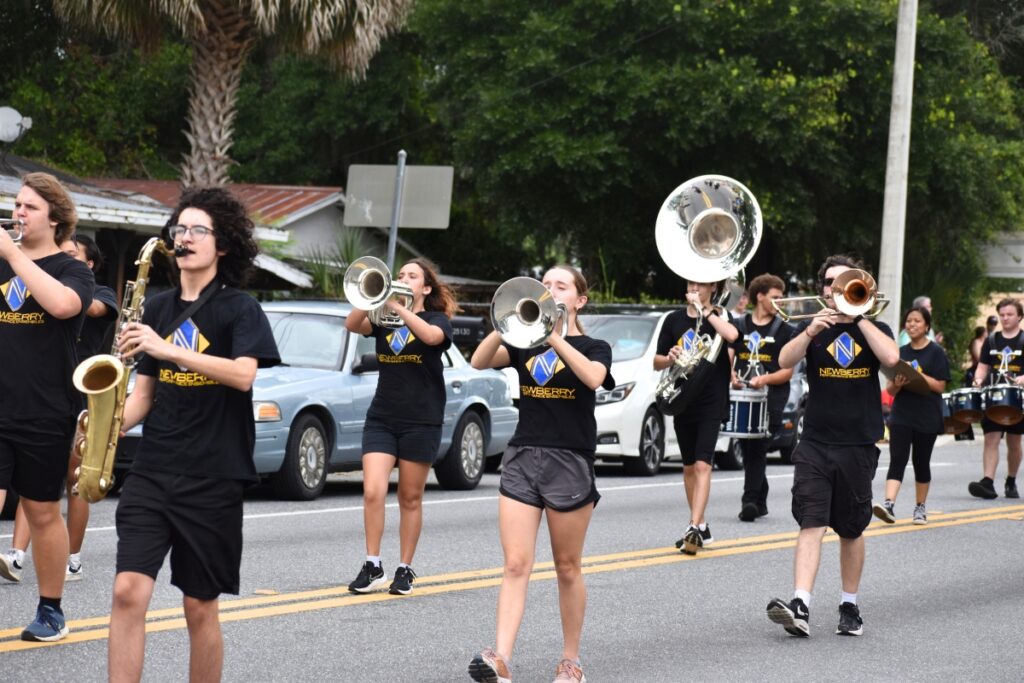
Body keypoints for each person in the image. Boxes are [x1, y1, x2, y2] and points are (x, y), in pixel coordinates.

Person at [107, 188, 280, 681]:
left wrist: (169, 350)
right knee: (126, 592)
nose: (184, 238)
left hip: (213, 476)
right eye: (179, 229)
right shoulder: (157, 308)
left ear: (221, 245)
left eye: (197, 230)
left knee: (199, 606)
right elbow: (144, 395)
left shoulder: (239, 309)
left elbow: (243, 375)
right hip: (153, 469)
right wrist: (102, 431)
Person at [468, 265, 613, 683]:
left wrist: (554, 334)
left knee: (567, 566)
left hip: (570, 460)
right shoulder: (522, 342)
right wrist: (506, 321)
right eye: (545, 285)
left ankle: (571, 661)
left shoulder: (594, 345)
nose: (550, 291)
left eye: (560, 286)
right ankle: (500, 658)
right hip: (522, 456)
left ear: (579, 300)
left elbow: (593, 378)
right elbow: (478, 361)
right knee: (515, 564)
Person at [765, 254, 898, 638]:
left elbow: (892, 358)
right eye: (829, 282)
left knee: (852, 528)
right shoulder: (813, 328)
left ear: (859, 287)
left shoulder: (875, 327)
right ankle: (800, 603)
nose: (835, 288)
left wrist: (858, 317)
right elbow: (784, 360)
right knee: (811, 521)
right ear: (822, 288)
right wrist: (808, 332)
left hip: (858, 443)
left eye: (844, 282)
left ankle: (849, 605)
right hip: (815, 442)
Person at [0, 172, 94, 641]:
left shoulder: (72, 269)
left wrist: (14, 255)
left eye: (29, 206)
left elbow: (62, 306)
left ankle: (51, 609)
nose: (18, 212)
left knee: (40, 513)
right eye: (16, 204)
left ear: (55, 218)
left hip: (45, 410)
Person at [4, 234, 118, 584]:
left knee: (74, 480)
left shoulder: (98, 292)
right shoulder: (31, 280)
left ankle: (72, 557)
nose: (59, 259)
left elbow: (89, 308)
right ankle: (18, 555)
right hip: (39, 392)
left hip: (83, 397)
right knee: (32, 483)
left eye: (70, 255)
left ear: (87, 264)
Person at [344, 258, 457, 597]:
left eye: (412, 276)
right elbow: (352, 324)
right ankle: (372, 563)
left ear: (424, 288)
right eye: (400, 275)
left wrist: (397, 305)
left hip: (421, 420)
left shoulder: (437, 319)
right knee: (373, 491)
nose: (404, 279)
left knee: (410, 497)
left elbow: (430, 336)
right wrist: (371, 300)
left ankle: (405, 568)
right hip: (382, 417)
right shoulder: (382, 319)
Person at [653, 279, 738, 554]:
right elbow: (656, 361)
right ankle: (700, 525)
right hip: (683, 397)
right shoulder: (673, 320)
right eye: (691, 283)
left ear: (713, 288)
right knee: (689, 466)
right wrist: (670, 357)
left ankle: (692, 525)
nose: (694, 288)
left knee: (703, 464)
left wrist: (706, 311)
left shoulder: (722, 316)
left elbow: (734, 336)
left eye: (701, 284)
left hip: (711, 400)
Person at [873, 306, 950, 525]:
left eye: (917, 321)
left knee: (921, 462)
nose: (912, 324)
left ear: (927, 326)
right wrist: (897, 384)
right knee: (897, 459)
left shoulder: (936, 352)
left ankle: (920, 507)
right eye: (909, 321)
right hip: (902, 413)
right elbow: (890, 389)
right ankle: (888, 504)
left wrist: (918, 376)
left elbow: (940, 386)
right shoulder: (900, 352)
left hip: (927, 414)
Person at [728, 273, 795, 522]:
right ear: (760, 296)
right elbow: (730, 352)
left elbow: (787, 371)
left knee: (757, 447)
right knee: (748, 448)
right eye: (775, 297)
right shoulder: (739, 325)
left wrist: (764, 380)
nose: (780, 302)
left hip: (772, 398)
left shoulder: (786, 330)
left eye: (781, 297)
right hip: (744, 395)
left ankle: (749, 501)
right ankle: (760, 497)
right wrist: (732, 374)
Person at [967, 298, 1024, 500]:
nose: (1005, 318)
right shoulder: (991, 340)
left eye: (1010, 314)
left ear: (1019, 316)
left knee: (1014, 442)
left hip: (1018, 398)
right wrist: (977, 381)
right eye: (1002, 314)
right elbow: (982, 366)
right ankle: (988, 482)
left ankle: (1011, 480)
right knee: (991, 438)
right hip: (994, 396)